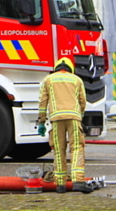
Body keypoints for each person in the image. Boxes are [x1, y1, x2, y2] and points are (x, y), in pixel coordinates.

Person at [37, 57, 90, 194]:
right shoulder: (76, 79)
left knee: (59, 149)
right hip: (73, 118)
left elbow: (43, 102)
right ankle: (78, 181)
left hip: (56, 118)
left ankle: (60, 184)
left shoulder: (48, 80)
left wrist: (42, 121)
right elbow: (82, 101)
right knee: (77, 148)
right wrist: (80, 116)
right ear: (70, 69)